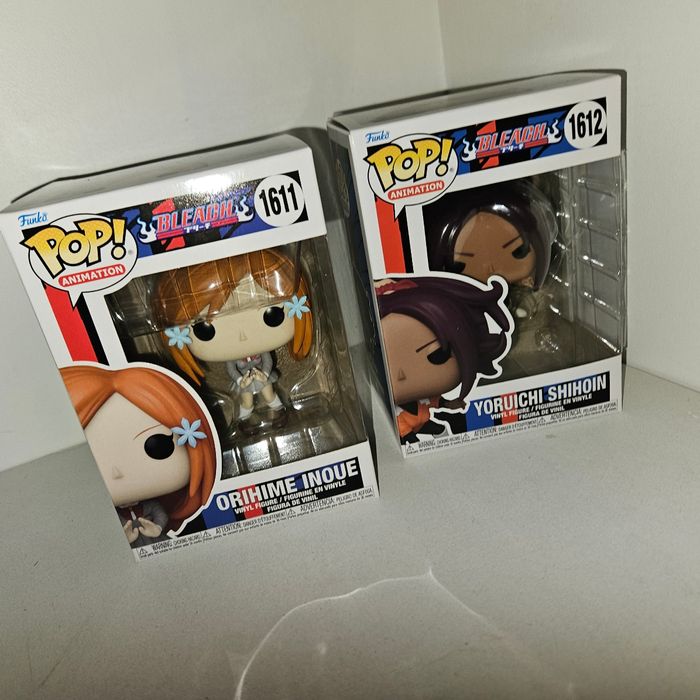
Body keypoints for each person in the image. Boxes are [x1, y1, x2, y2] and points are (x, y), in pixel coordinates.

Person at [61, 364, 217, 548]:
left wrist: (157, 528)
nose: (116, 472)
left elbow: (160, 514)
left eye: (158, 445)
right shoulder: (111, 516)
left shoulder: (149, 506)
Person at [376, 276, 512, 444]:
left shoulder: (423, 396)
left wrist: (450, 404)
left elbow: (435, 401)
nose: (401, 375)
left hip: (423, 422)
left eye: (437, 355)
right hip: (404, 430)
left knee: (439, 430)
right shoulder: (393, 410)